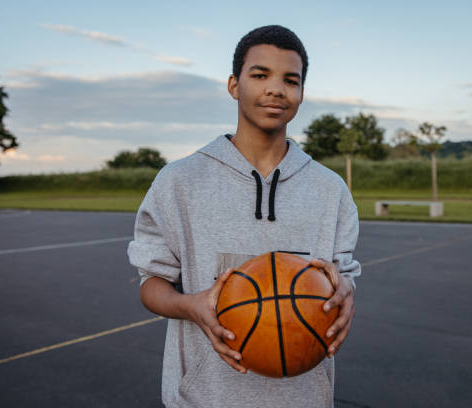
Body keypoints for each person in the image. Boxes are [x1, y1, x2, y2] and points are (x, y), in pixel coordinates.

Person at [128, 24, 361, 408]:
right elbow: (151, 283)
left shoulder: (329, 189)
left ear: (301, 93)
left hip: (304, 399)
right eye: (260, 75)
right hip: (204, 399)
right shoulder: (179, 181)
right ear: (235, 85)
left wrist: (347, 292)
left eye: (291, 79)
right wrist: (192, 305)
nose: (275, 89)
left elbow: (342, 280)